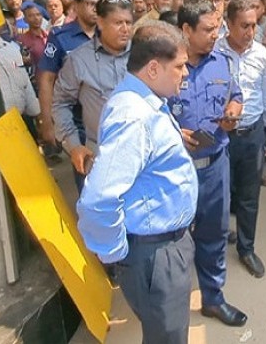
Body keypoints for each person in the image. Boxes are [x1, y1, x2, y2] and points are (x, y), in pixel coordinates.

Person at [77, 21, 197, 344]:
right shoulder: (134, 116)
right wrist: (116, 250)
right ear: (154, 68)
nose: (185, 74)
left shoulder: (144, 101)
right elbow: (98, 199)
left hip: (164, 248)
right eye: (180, 67)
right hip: (155, 255)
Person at [169, 0, 247, 327]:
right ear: (186, 30)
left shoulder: (223, 61)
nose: (216, 34)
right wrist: (173, 132)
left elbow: (237, 96)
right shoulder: (167, 64)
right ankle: (171, 306)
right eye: (207, 29)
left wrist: (233, 113)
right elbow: (149, 110)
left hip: (215, 166)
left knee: (214, 235)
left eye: (217, 28)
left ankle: (213, 299)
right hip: (176, 170)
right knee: (173, 243)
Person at [216, 0, 266, 279]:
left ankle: (246, 249)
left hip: (252, 136)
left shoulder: (262, 54)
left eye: (253, 25)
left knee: (249, 197)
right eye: (243, 26)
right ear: (228, 24)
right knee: (218, 196)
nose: (250, 31)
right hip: (220, 137)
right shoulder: (213, 51)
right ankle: (214, 252)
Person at [53, 0, 133, 192]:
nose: (125, 29)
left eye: (129, 22)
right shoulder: (79, 60)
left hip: (141, 157)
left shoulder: (145, 56)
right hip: (100, 159)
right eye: (118, 23)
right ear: (100, 22)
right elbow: (60, 103)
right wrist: (73, 145)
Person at [38, 0, 106, 177]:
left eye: (99, 3)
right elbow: (46, 79)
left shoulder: (111, 34)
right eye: (90, 4)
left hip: (108, 117)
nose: (95, 9)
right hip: (77, 121)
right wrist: (48, 122)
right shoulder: (61, 37)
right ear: (75, 6)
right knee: (86, 178)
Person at [0, 24, 40, 137]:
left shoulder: (12, 48)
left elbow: (24, 81)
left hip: (24, 119)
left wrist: (37, 112)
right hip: (1, 125)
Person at [17, 4, 49, 86]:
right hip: (35, 84)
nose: (36, 18)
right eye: (31, 16)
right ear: (25, 19)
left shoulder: (50, 36)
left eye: (38, 15)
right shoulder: (22, 40)